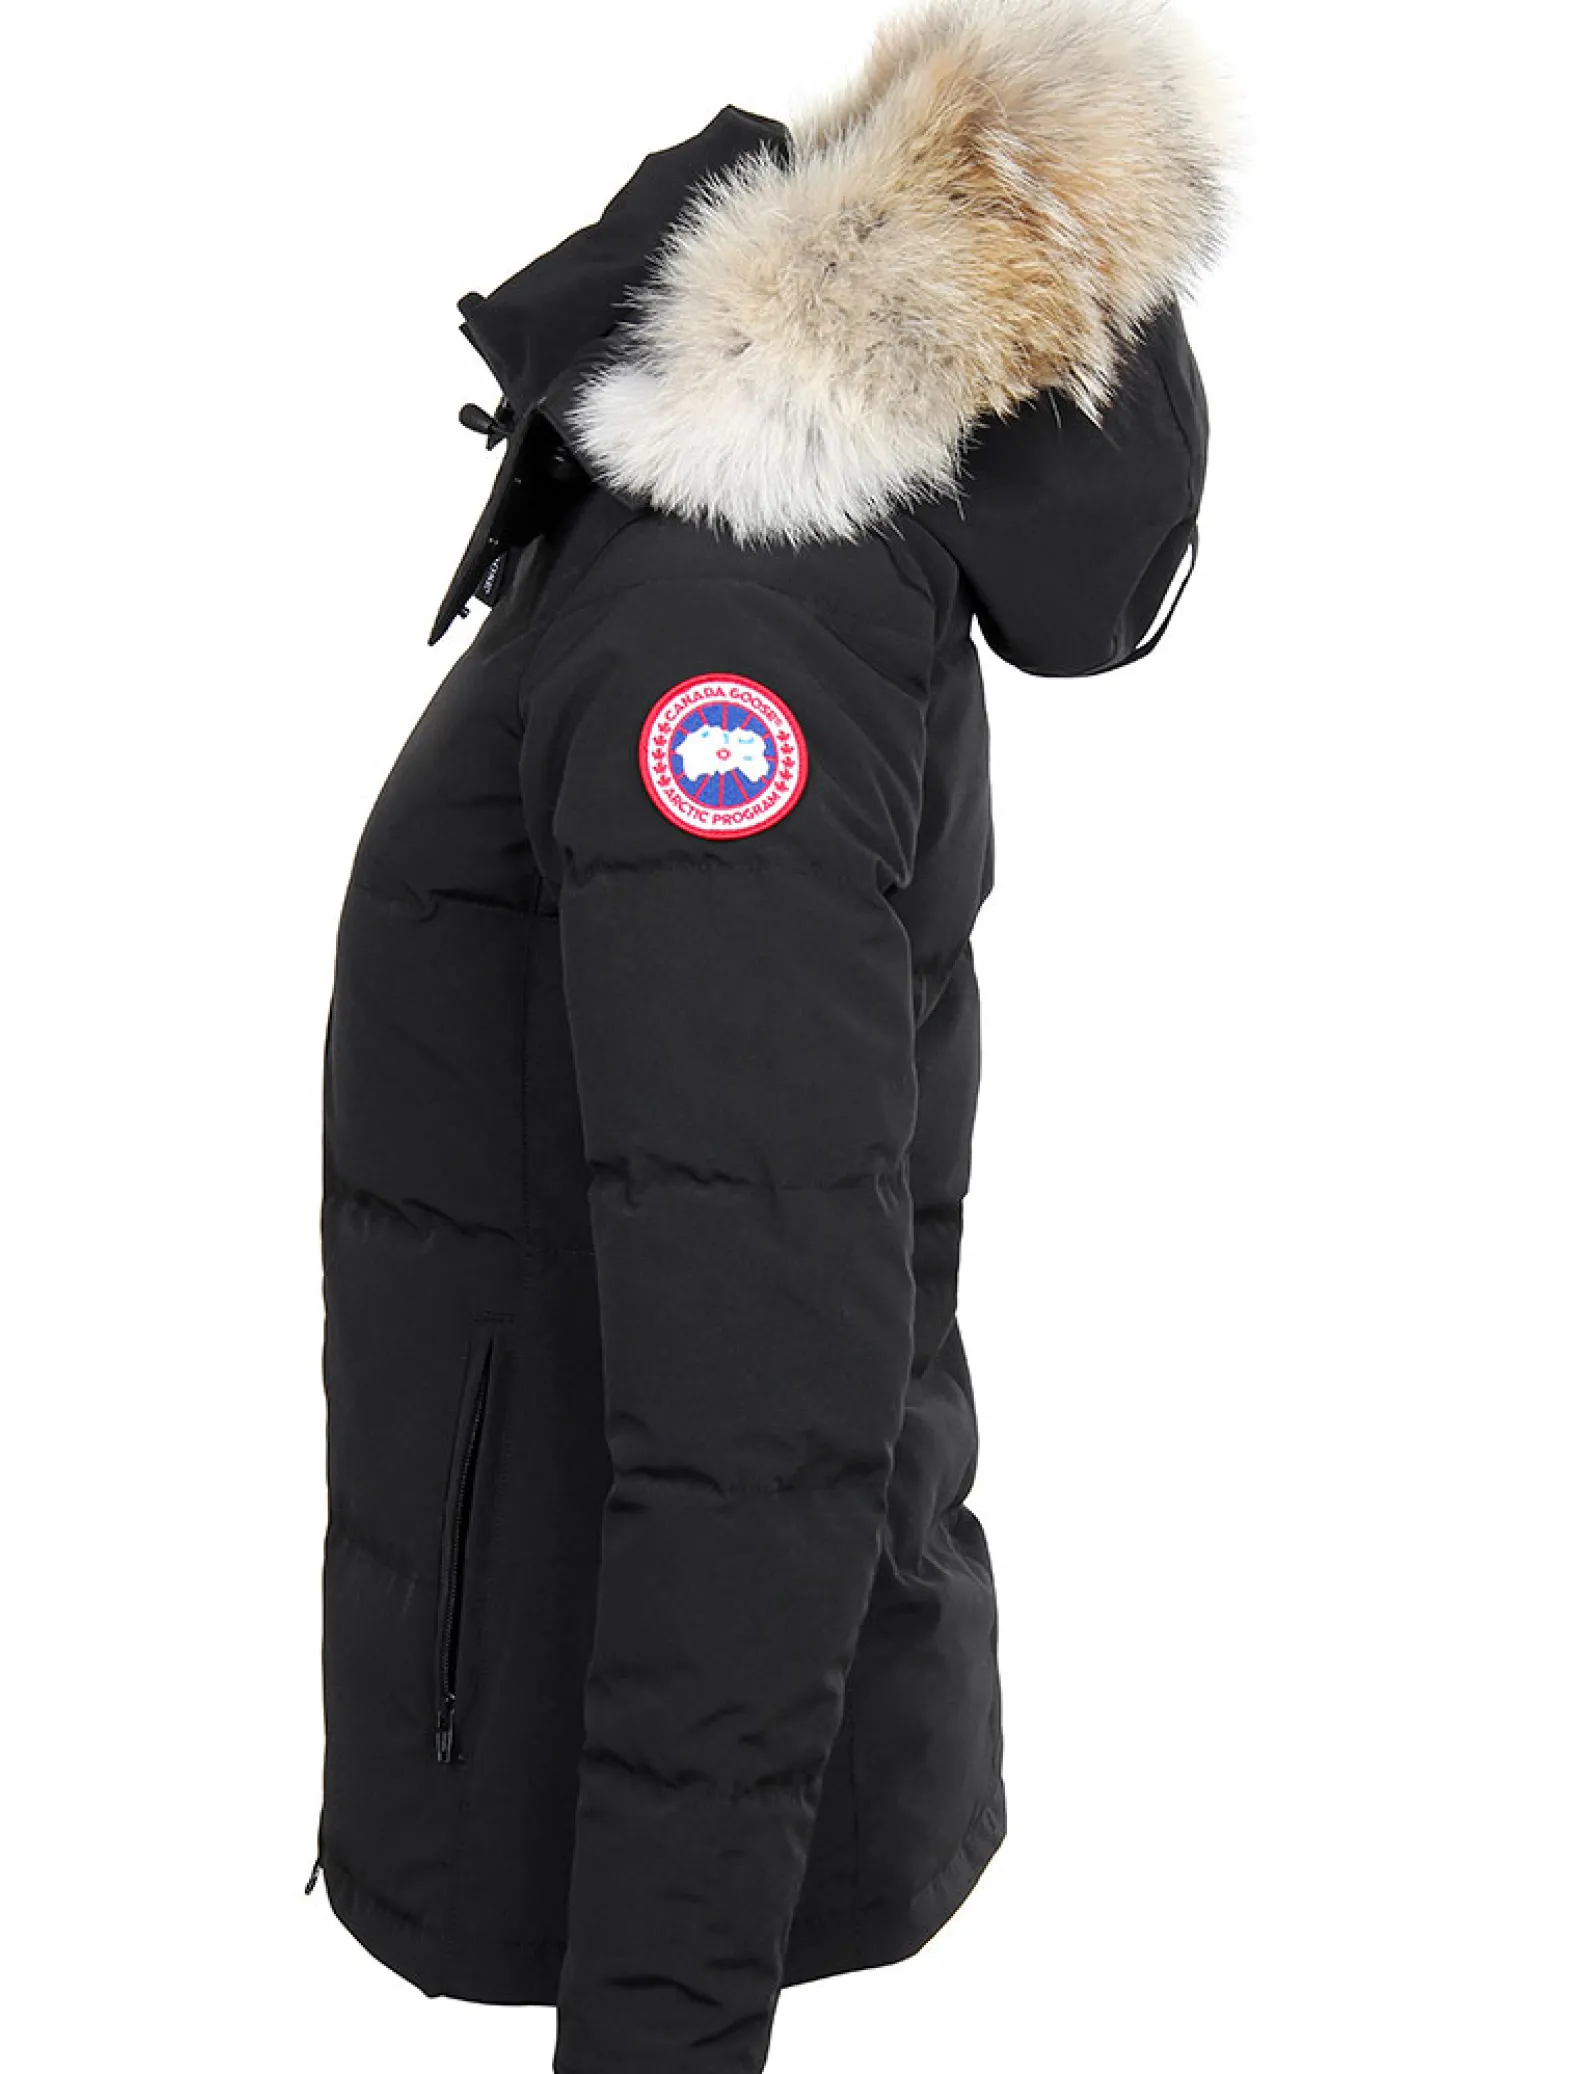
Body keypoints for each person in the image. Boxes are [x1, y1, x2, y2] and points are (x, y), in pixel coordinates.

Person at [312, 4, 1228, 2069]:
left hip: (646, 1850)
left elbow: (756, 1374)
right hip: (618, 1750)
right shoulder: (724, 540)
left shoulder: (726, 617)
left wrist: (662, 2021)